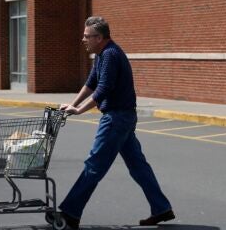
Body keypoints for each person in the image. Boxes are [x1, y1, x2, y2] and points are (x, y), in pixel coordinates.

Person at [59, 16, 174, 229]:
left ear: (99, 37)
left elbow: (103, 89)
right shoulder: (101, 55)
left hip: (116, 118)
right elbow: (91, 83)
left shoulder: (111, 54)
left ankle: (70, 213)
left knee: (94, 165)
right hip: (123, 117)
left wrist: (80, 111)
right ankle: (161, 208)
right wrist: (72, 104)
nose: (83, 39)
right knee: (138, 166)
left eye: (87, 36)